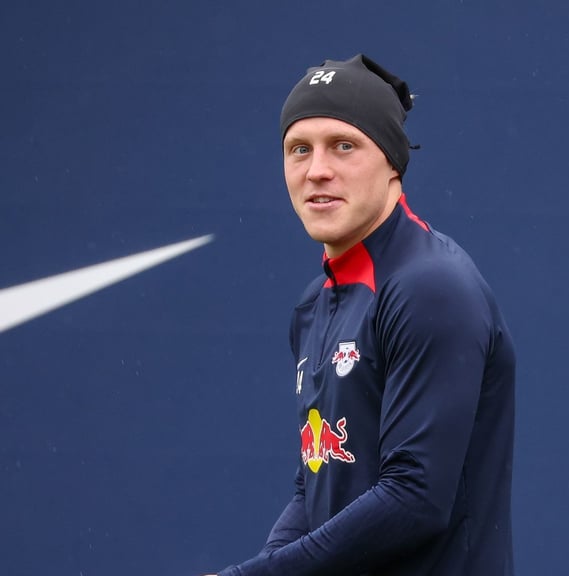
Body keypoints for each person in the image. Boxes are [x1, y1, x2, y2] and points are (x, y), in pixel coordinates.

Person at [212, 54, 516, 575]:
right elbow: (316, 483)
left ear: (393, 162)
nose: (317, 170)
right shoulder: (314, 305)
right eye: (298, 149)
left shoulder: (430, 286)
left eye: (344, 146)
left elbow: (415, 497)